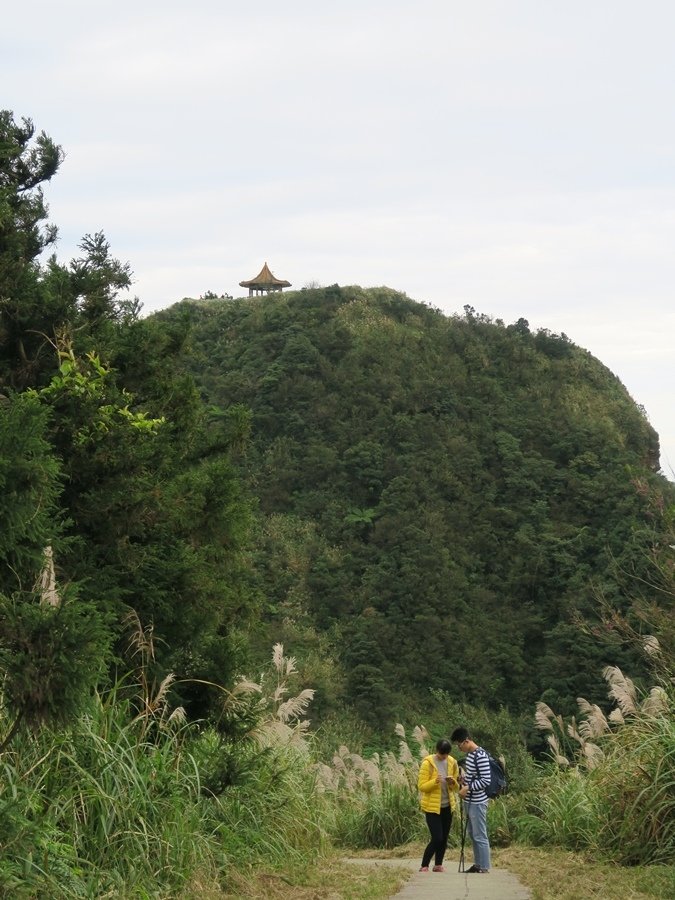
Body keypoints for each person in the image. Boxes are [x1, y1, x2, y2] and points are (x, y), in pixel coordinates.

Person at [451, 726, 491, 873]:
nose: (459, 748)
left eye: (459, 745)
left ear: (466, 741)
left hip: (478, 802)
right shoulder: (470, 755)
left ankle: (484, 866)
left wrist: (467, 788)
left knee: (480, 835)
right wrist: (463, 780)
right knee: (473, 835)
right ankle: (478, 864)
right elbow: (473, 777)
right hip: (470, 801)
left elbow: (486, 780)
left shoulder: (480, 755)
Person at [417, 738, 460, 872]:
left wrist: (452, 782)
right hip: (432, 807)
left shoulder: (452, 762)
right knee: (437, 837)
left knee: (444, 838)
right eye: (442, 755)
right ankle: (424, 865)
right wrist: (434, 782)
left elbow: (456, 788)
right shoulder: (427, 763)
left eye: (446, 755)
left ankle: (438, 864)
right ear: (437, 751)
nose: (444, 757)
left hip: (448, 805)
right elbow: (422, 786)